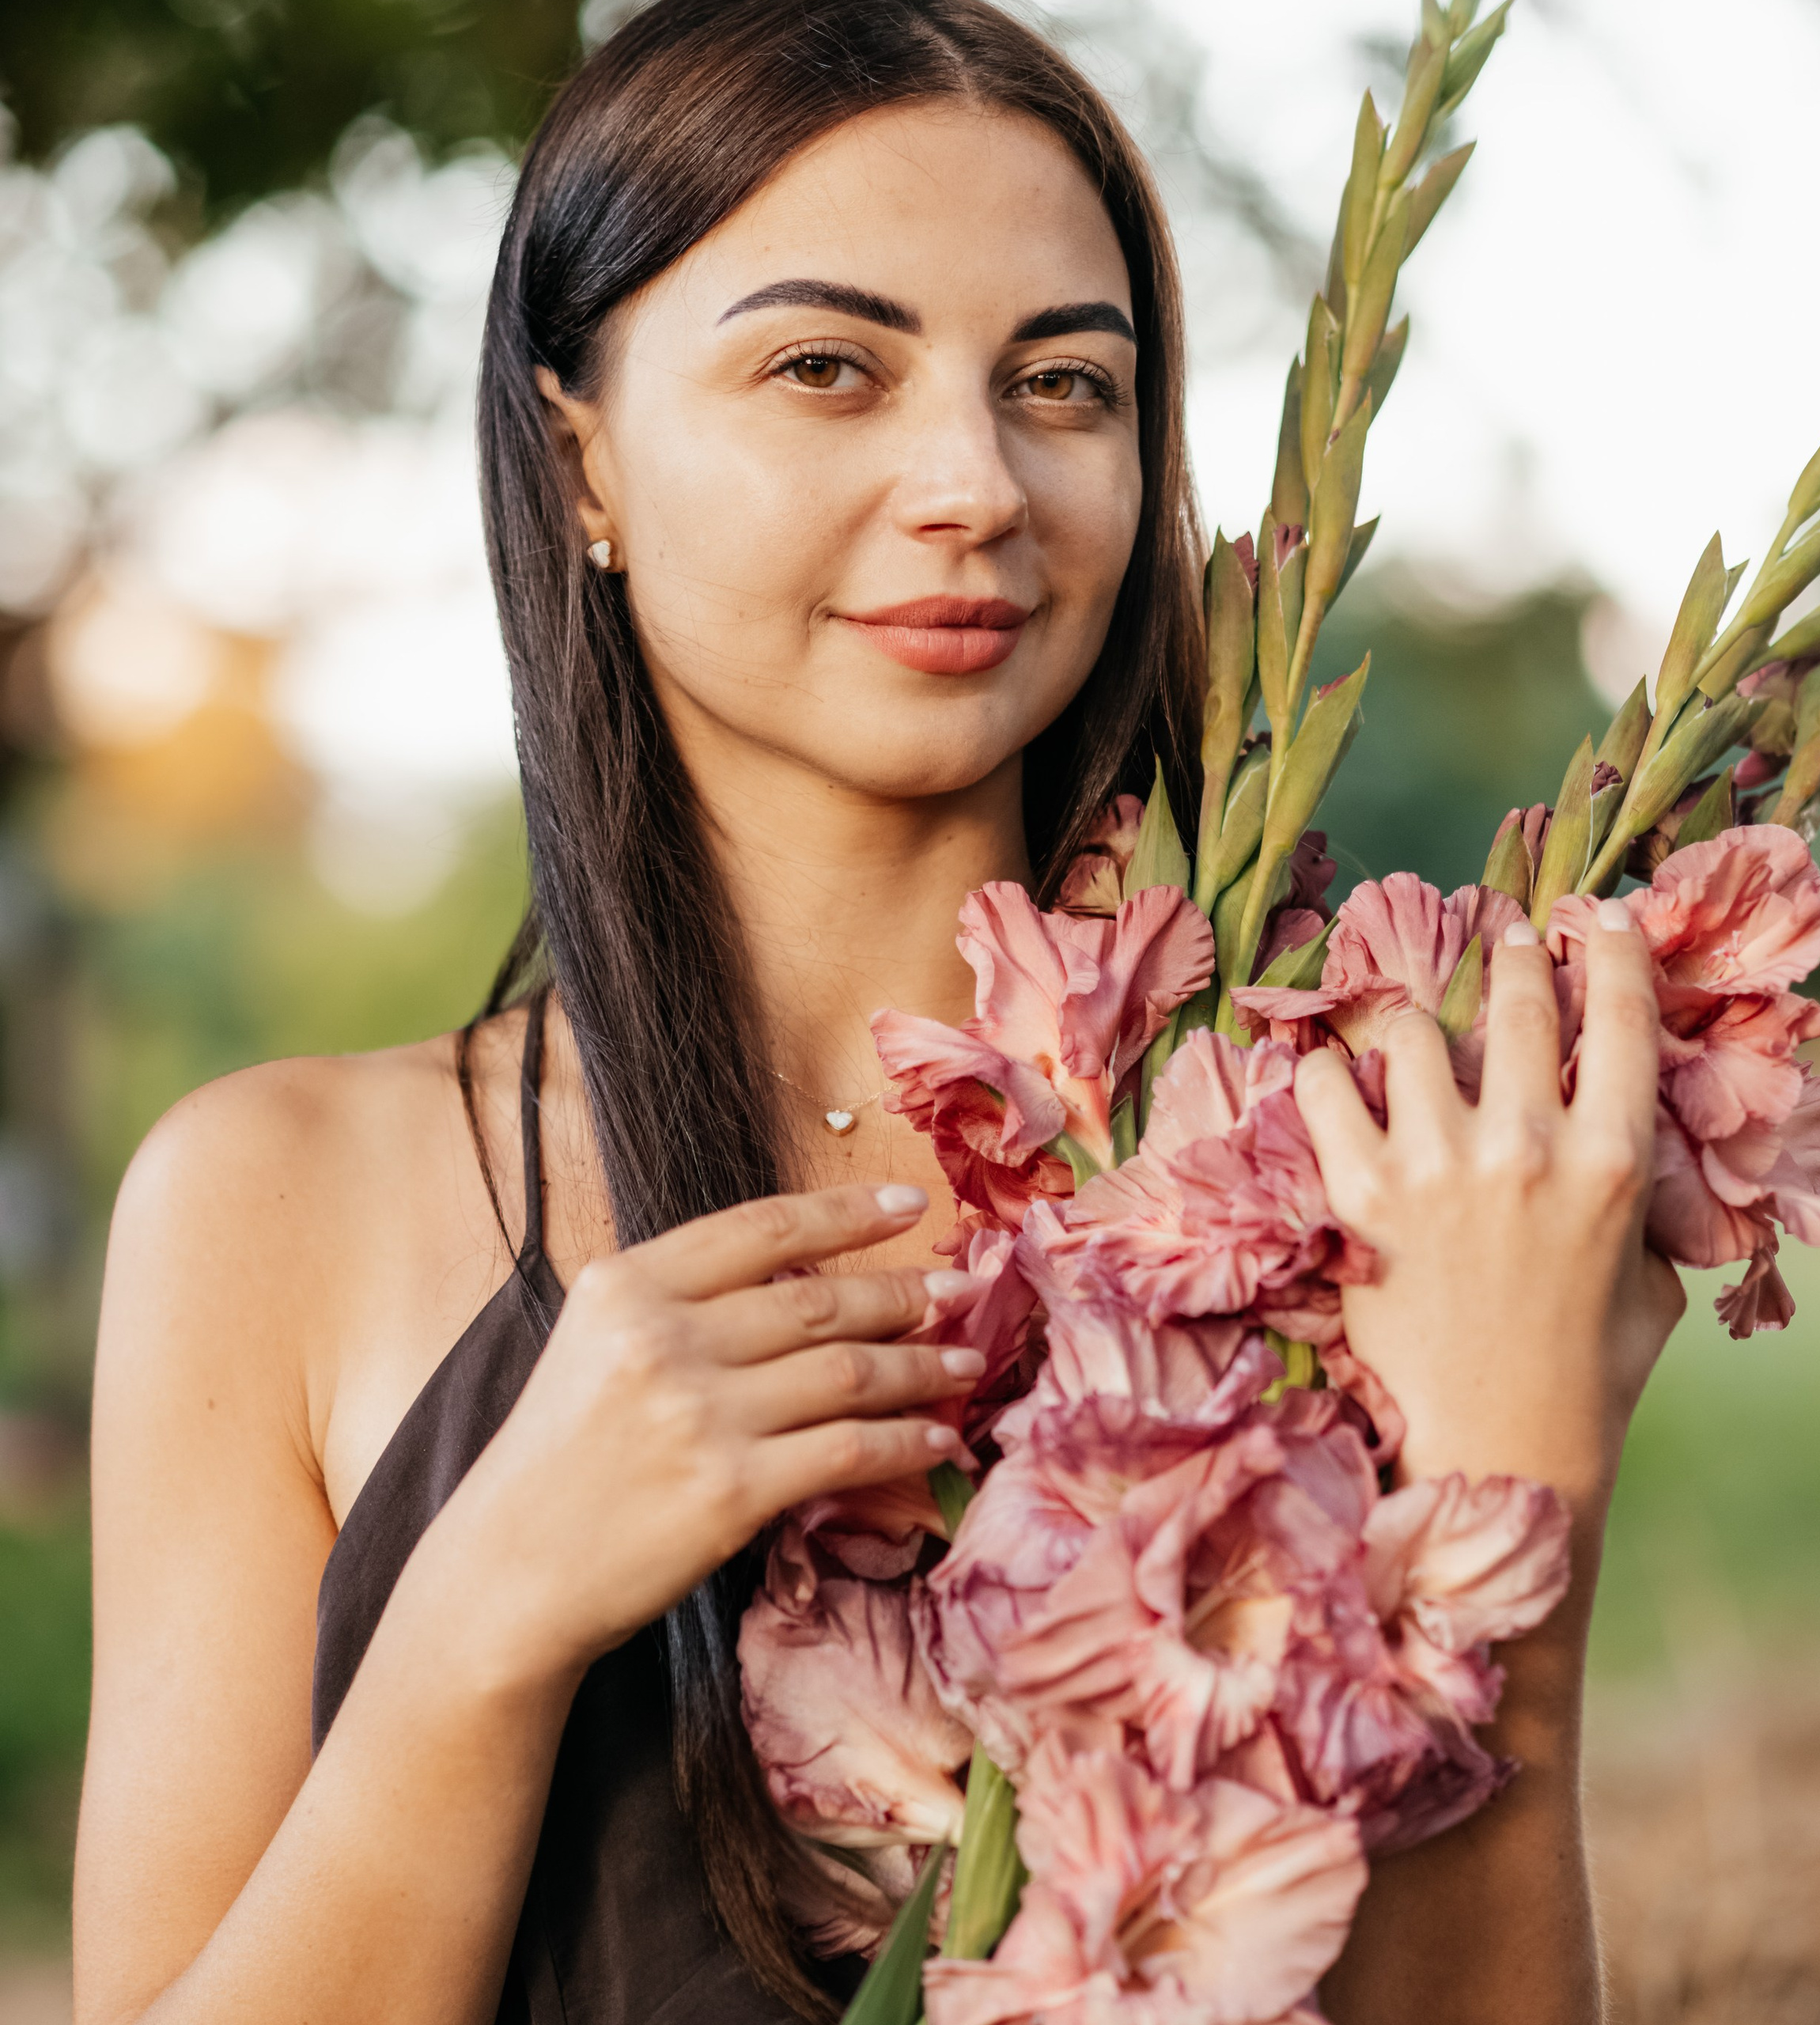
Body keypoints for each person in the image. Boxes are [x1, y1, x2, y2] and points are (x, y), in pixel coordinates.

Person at [71, 2, 1685, 2020]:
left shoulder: (1322, 1164)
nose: (972, 483)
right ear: (580, 456)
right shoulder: (271, 1202)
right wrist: (481, 1616)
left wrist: (1509, 1499)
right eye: (826, 367)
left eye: (1063, 386)